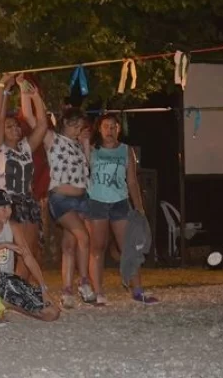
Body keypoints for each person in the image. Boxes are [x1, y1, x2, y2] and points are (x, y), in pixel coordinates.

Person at [25, 102, 96, 308]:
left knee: (69, 245)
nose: (77, 130)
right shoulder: (53, 139)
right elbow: (32, 119)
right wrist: (28, 94)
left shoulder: (77, 143)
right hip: (61, 198)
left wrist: (84, 144)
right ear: (65, 122)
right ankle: (84, 282)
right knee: (83, 236)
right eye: (74, 126)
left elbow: (86, 170)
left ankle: (66, 292)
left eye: (80, 127)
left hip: (81, 199)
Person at [86, 114, 159, 305]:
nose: (109, 130)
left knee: (129, 248)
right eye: (106, 126)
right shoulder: (92, 149)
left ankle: (137, 291)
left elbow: (133, 181)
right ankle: (98, 291)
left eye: (113, 126)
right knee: (97, 248)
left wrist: (139, 207)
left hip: (120, 202)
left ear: (119, 129)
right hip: (97, 201)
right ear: (99, 129)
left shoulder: (126, 151)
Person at [0, 75, 49, 280]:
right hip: (7, 201)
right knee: (10, 251)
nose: (15, 128)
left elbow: (42, 125)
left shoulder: (25, 147)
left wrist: (35, 97)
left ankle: (20, 289)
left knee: (29, 249)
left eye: (16, 126)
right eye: (10, 126)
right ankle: (5, 289)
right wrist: (4, 91)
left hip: (27, 199)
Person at [0, 189, 60, 322]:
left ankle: (6, 304)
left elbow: (28, 257)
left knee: (52, 312)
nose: (8, 211)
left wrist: (43, 288)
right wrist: (3, 245)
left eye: (9, 206)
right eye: (3, 207)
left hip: (8, 283)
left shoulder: (13, 226)